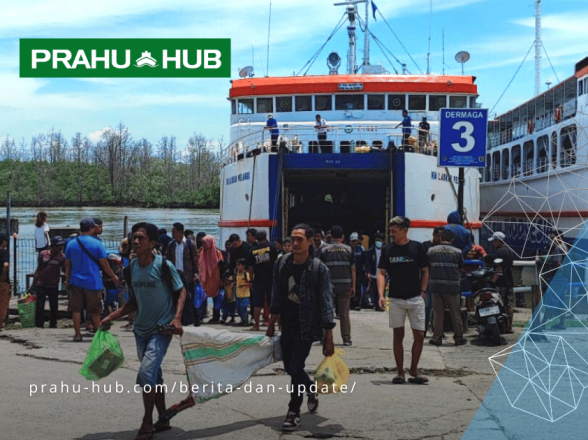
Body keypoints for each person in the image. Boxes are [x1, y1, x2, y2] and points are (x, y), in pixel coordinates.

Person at [100, 222, 186, 439]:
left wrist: (176, 318)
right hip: (141, 331)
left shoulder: (164, 265)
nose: (135, 242)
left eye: (140, 238)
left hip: (162, 329)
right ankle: (163, 418)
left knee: (146, 373)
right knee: (154, 375)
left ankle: (147, 422)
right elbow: (133, 303)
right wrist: (110, 317)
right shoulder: (131, 269)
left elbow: (181, 290)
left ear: (153, 243)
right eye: (134, 237)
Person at [267, 223, 335, 432]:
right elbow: (276, 292)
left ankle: (293, 412)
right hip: (286, 324)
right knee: (290, 368)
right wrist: (271, 322)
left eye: (299, 240)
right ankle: (310, 388)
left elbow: (326, 301)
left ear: (309, 241)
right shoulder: (282, 263)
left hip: (307, 326)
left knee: (296, 367)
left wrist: (329, 335)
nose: (294, 243)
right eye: (292, 239)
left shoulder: (318, 268)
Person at [377, 216, 429, 385]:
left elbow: (425, 270)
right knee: (398, 335)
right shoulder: (387, 250)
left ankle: (414, 369)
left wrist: (423, 291)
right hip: (396, 299)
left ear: (404, 230)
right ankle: (400, 372)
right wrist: (380, 295)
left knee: (419, 335)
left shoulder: (417, 248)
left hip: (415, 298)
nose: (392, 233)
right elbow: (381, 273)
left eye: (395, 230)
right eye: (391, 230)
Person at [65, 217, 120, 342]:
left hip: (76, 280)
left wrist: (68, 280)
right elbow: (104, 263)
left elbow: (67, 264)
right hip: (93, 281)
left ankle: (78, 334)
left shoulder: (71, 243)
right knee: (95, 310)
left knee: (76, 309)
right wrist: (113, 276)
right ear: (91, 228)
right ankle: (98, 334)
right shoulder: (97, 243)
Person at [427, 230, 466, 346]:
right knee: (455, 313)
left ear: (440, 238)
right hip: (452, 287)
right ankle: (458, 337)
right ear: (452, 239)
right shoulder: (457, 252)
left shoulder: (431, 251)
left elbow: (427, 267)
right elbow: (461, 268)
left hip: (436, 286)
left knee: (438, 314)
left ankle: (437, 337)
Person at [320, 226, 355, 346]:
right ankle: (346, 339)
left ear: (330, 237)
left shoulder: (325, 250)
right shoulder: (349, 250)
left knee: (327, 312)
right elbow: (353, 269)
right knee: (344, 313)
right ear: (342, 237)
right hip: (345, 285)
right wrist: (353, 285)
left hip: (329, 286)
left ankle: (325, 337)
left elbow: (321, 269)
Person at [165, 222, 199, 324]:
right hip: (175, 276)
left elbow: (195, 259)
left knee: (190, 298)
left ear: (180, 232)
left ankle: (195, 319)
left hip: (188, 276)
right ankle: (179, 319)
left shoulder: (190, 244)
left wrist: (197, 273)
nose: (172, 233)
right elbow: (169, 259)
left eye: (174, 231)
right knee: (176, 298)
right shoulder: (171, 245)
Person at [247, 230, 278, 330]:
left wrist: (251, 280)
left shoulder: (252, 251)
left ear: (256, 238)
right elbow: (277, 262)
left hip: (258, 279)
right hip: (271, 278)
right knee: (273, 302)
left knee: (257, 302)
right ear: (265, 237)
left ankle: (256, 325)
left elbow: (250, 268)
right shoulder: (272, 247)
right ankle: (275, 326)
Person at [33, 236, 66, 328]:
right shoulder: (43, 254)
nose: (60, 248)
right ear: (53, 246)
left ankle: (53, 324)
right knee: (40, 304)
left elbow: (65, 269)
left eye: (61, 246)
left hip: (53, 284)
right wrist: (35, 281)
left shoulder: (62, 257)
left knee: (54, 305)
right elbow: (39, 267)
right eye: (58, 246)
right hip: (41, 283)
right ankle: (39, 324)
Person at [488, 231, 514, 333]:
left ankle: (501, 326)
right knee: (509, 304)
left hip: (501, 282)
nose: (493, 243)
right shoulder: (509, 250)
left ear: (499, 241)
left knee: (500, 304)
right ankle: (509, 327)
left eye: (495, 241)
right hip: (509, 281)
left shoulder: (499, 252)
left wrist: (493, 281)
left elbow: (499, 268)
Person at [423, 227, 444, 335]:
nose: (440, 238)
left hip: (440, 281)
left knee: (439, 308)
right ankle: (424, 329)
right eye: (438, 235)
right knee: (427, 306)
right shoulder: (426, 246)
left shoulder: (444, 247)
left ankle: (439, 330)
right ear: (434, 235)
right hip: (428, 281)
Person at [198, 235, 224, 323]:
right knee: (203, 297)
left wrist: (221, 280)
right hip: (205, 278)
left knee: (216, 297)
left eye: (205, 243)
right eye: (203, 243)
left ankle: (216, 317)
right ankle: (200, 316)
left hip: (215, 278)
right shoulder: (202, 252)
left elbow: (222, 267)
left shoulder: (217, 253)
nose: (204, 245)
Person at [365, 232, 385, 310]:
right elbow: (368, 263)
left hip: (383, 274)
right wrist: (368, 272)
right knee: (375, 290)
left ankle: (382, 304)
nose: (378, 242)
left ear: (383, 241)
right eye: (376, 240)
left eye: (379, 240)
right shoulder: (371, 251)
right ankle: (377, 305)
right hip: (374, 273)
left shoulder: (386, 250)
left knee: (383, 290)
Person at [349, 232, 366, 311]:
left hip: (359, 272)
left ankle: (356, 304)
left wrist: (366, 270)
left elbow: (364, 260)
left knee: (358, 287)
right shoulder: (348, 249)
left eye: (355, 241)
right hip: (349, 272)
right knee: (349, 288)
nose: (354, 243)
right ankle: (350, 304)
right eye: (353, 241)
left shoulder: (361, 249)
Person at [235, 258, 251, 326]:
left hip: (245, 295)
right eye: (237, 265)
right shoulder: (237, 273)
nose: (238, 267)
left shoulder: (246, 274)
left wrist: (243, 284)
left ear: (243, 266)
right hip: (238, 294)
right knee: (239, 309)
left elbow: (249, 283)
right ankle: (242, 320)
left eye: (239, 265)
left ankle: (245, 320)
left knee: (243, 308)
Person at [0, 234, 10, 330]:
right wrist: (3, 275)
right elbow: (6, 264)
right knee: (2, 304)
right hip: (2, 282)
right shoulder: (4, 252)